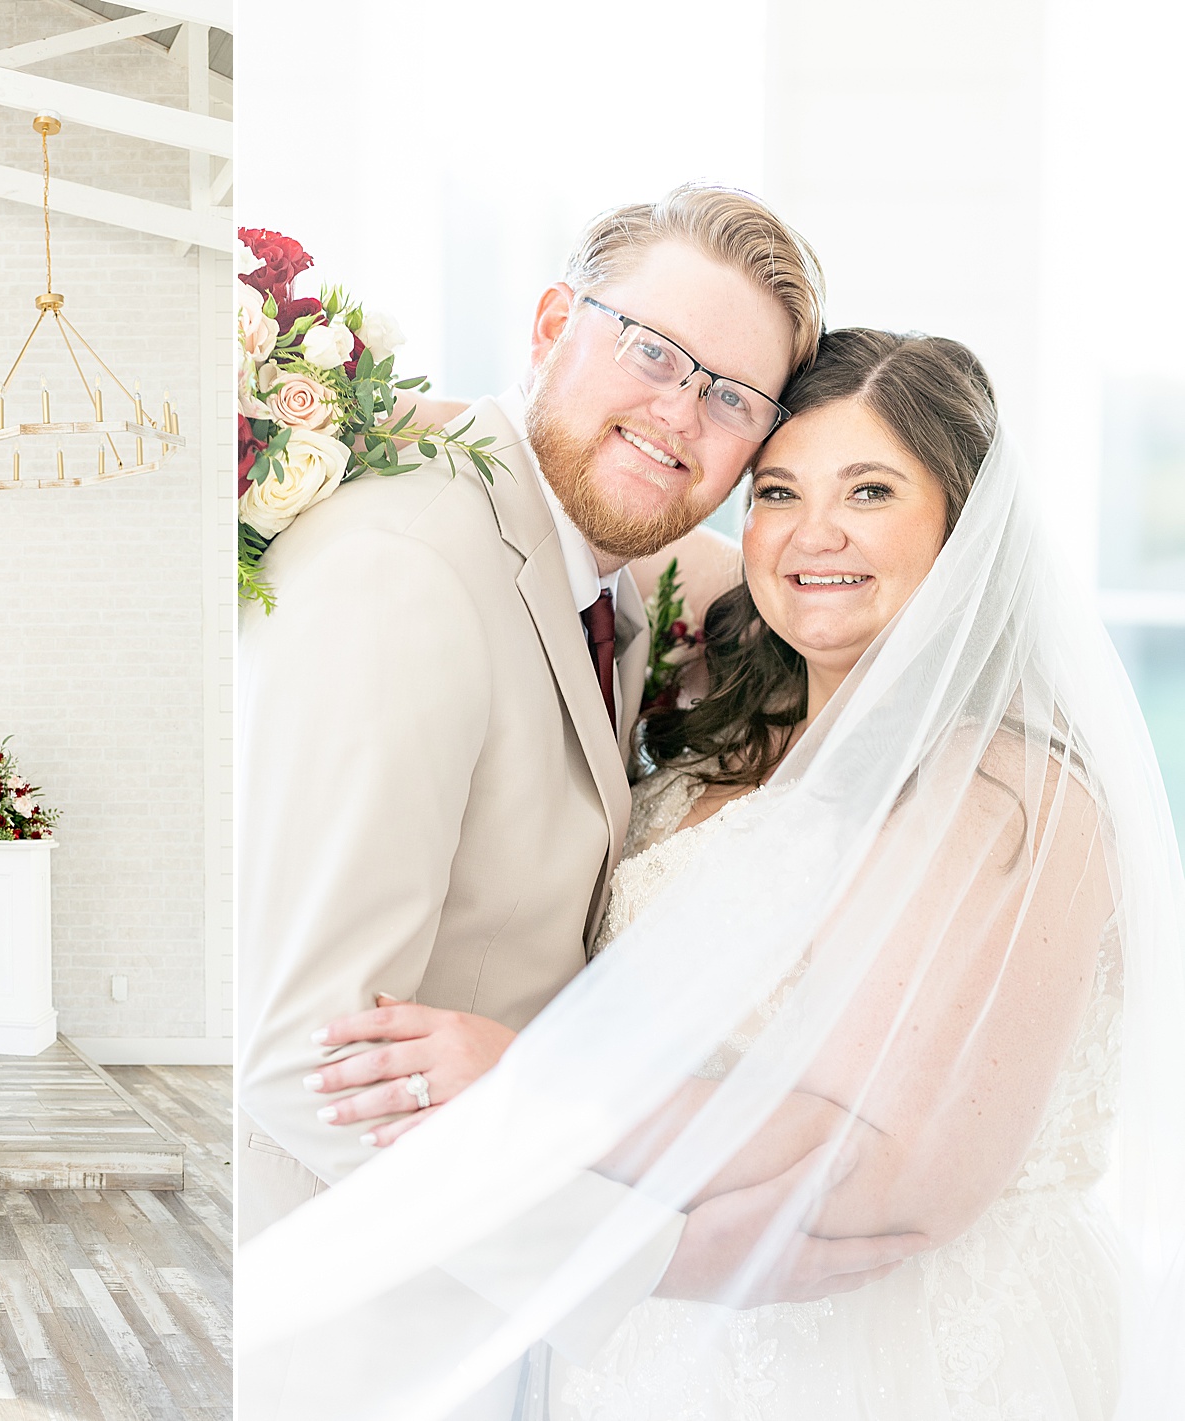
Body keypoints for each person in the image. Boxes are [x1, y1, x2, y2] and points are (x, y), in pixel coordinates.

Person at [243, 330, 1185, 1419]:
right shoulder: (732, 680)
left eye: (871, 489)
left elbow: (897, 1172)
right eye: (778, 490)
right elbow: (558, 476)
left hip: (877, 1346)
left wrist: (528, 1087)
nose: (814, 532)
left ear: (963, 524)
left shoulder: (1004, 793)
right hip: (641, 1340)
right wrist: (281, 387)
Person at [238, 186, 924, 1404]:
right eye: (651, 350)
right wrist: (631, 1260)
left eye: (729, 397)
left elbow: (794, 576)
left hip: (484, 1338)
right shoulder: (404, 573)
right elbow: (306, 1058)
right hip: (350, 1340)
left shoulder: (601, 570)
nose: (678, 410)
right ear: (553, 320)